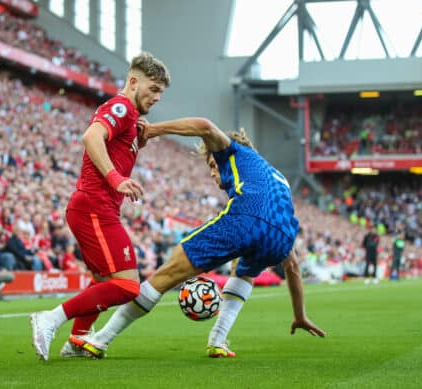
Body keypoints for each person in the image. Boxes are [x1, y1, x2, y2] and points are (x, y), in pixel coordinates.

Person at [66, 117, 325, 359]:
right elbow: (292, 267)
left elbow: (204, 126)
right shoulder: (274, 179)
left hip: (248, 219)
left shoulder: (235, 152)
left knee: (167, 274)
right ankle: (218, 341)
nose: (214, 174)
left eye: (213, 166)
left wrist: (153, 131)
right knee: (244, 271)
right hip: (282, 237)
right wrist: (300, 315)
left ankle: (99, 340)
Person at [29, 52, 171, 361]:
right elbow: (91, 135)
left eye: (161, 91)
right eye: (154, 88)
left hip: (95, 208)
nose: (157, 97)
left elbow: (112, 144)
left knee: (104, 281)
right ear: (133, 82)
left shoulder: (131, 119)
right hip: (94, 206)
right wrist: (115, 177)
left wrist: (138, 142)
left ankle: (77, 342)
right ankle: (50, 318)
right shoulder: (120, 107)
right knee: (128, 287)